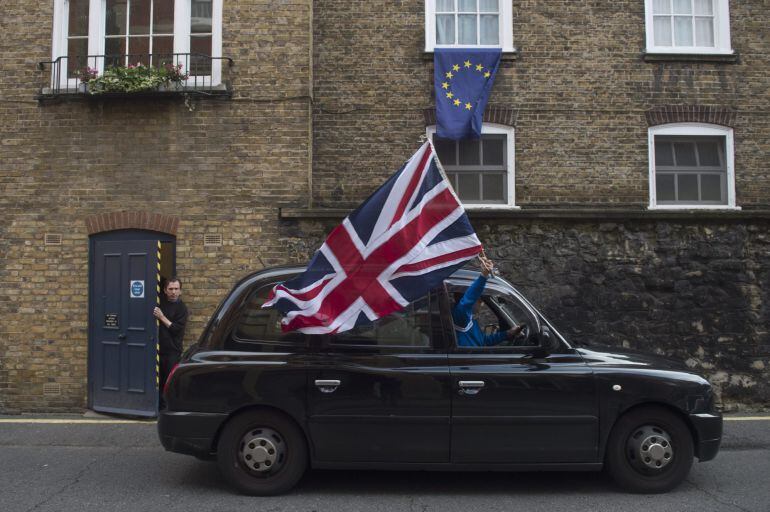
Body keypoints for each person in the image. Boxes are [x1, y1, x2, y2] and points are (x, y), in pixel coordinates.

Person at [453, 253, 525, 347]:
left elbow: (484, 341)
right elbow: (468, 299)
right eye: (479, 299)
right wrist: (483, 276)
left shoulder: (469, 318)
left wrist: (508, 333)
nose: (481, 302)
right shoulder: (460, 315)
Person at [153, 276, 188, 389]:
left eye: (176, 289)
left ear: (180, 291)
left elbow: (176, 329)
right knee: (156, 380)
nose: (174, 292)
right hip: (157, 348)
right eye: (171, 289)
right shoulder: (160, 303)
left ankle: (166, 405)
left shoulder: (182, 308)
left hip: (173, 351)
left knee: (168, 381)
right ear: (165, 290)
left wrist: (162, 317)